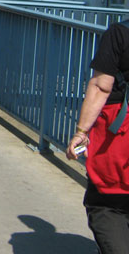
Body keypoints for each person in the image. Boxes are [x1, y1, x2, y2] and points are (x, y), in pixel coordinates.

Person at [66, 20, 129, 253]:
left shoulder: (119, 34)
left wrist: (81, 132)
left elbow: (101, 87)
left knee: (108, 206)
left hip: (118, 141)